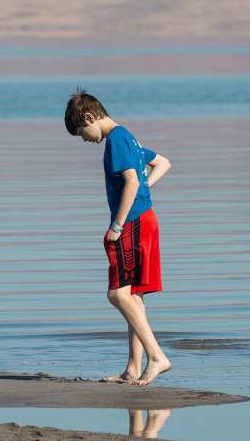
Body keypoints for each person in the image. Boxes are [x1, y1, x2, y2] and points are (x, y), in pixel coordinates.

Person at [64, 89, 173, 386]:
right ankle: (133, 368)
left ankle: (157, 357)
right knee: (132, 294)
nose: (85, 139)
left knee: (117, 294)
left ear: (89, 117)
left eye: (82, 132)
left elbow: (131, 180)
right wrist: (143, 192)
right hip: (144, 218)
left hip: (133, 222)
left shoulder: (116, 140)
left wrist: (117, 225)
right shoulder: (128, 138)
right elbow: (163, 162)